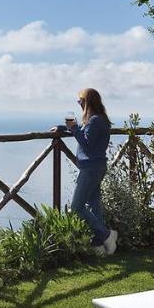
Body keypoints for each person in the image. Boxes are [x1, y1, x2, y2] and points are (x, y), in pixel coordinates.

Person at [55, 88, 117, 255]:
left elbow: (87, 143)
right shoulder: (99, 119)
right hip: (97, 167)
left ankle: (106, 235)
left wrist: (74, 129)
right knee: (94, 205)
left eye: (80, 100)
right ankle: (99, 246)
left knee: (76, 207)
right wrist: (66, 128)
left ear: (87, 101)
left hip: (90, 168)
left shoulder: (95, 120)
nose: (79, 103)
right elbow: (84, 134)